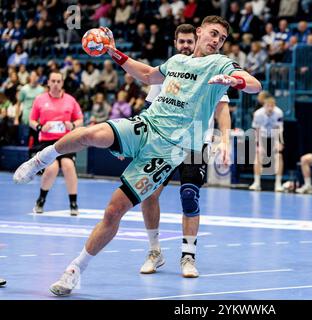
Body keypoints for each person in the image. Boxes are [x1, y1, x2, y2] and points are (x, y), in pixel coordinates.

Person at [13, 15, 261, 296]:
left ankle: (74, 271)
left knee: (114, 210)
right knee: (89, 134)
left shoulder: (220, 63)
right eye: (213, 33)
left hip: (170, 150)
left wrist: (235, 81)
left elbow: (254, 84)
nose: (217, 40)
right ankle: (40, 159)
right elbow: (146, 75)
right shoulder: (177, 61)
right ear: (200, 31)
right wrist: (112, 51)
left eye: (222, 38)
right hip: (146, 125)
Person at [138, 24, 232, 278]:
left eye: (189, 41)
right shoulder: (172, 66)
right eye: (182, 41)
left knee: (189, 195)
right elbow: (149, 108)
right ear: (176, 42)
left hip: (195, 141)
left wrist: (225, 140)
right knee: (149, 193)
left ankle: (188, 257)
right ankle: (154, 251)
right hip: (163, 140)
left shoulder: (214, 68)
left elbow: (223, 109)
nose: (186, 45)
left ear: (197, 38)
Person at [28, 72, 84, 215]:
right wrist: (41, 127)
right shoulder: (40, 100)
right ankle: (41, 200)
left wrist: (72, 125)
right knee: (51, 168)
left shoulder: (70, 100)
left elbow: (80, 120)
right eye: (53, 81)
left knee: (68, 166)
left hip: (66, 141)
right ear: (48, 82)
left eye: (58, 81)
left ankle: (73, 202)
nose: (56, 84)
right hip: (47, 141)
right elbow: (31, 121)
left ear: (62, 83)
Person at [249, 96, 284, 192]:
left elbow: (279, 129)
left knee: (279, 156)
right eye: (268, 106)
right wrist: (258, 145)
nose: (270, 108)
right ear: (264, 106)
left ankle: (278, 183)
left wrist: (279, 142)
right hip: (262, 136)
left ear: (274, 106)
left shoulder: (279, 113)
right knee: (257, 155)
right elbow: (257, 130)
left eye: (272, 106)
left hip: (274, 136)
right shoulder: (258, 114)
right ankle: (256, 183)